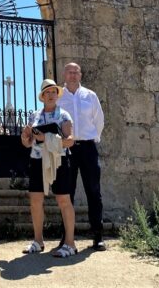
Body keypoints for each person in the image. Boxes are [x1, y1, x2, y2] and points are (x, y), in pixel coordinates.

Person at [20, 79, 77, 258]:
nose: (51, 95)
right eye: (47, 92)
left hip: (58, 160)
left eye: (54, 92)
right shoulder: (34, 116)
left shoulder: (64, 115)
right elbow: (28, 144)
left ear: (57, 95)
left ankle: (70, 243)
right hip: (37, 160)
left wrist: (47, 138)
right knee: (35, 200)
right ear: (42, 97)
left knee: (63, 200)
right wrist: (25, 137)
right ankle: (38, 241)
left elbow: (70, 141)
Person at [57, 62, 106, 251]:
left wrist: (93, 138)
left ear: (80, 75)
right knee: (66, 193)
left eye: (76, 72)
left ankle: (98, 235)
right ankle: (66, 236)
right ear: (64, 74)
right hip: (66, 149)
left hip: (87, 147)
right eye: (69, 72)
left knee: (93, 190)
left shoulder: (90, 96)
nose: (72, 75)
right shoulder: (59, 96)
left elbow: (98, 120)